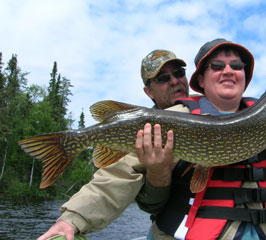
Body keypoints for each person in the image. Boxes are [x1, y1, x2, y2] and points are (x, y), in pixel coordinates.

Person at [135, 38, 266, 240]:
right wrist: (157, 173)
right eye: (217, 66)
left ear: (244, 75)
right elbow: (130, 193)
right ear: (201, 80)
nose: (228, 70)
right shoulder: (172, 121)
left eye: (236, 65)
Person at [37, 49, 189, 240]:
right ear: (149, 91)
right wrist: (71, 219)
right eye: (162, 78)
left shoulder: (212, 108)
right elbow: (113, 179)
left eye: (179, 73)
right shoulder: (141, 131)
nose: (174, 81)